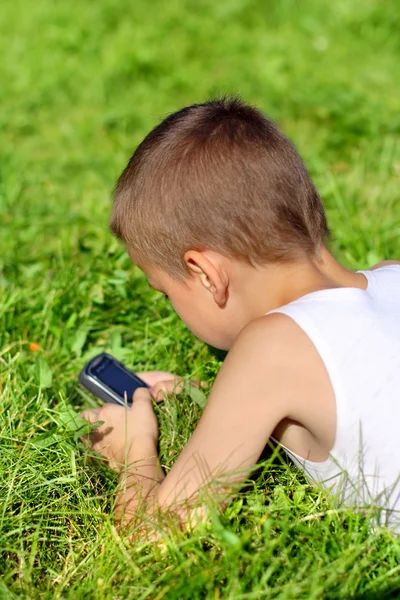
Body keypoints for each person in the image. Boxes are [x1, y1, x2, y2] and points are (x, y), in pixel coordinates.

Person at [81, 97, 400, 535]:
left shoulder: (273, 348)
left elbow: (153, 537)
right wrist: (209, 397)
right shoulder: (391, 275)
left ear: (207, 274)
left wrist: (133, 449)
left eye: (166, 293)